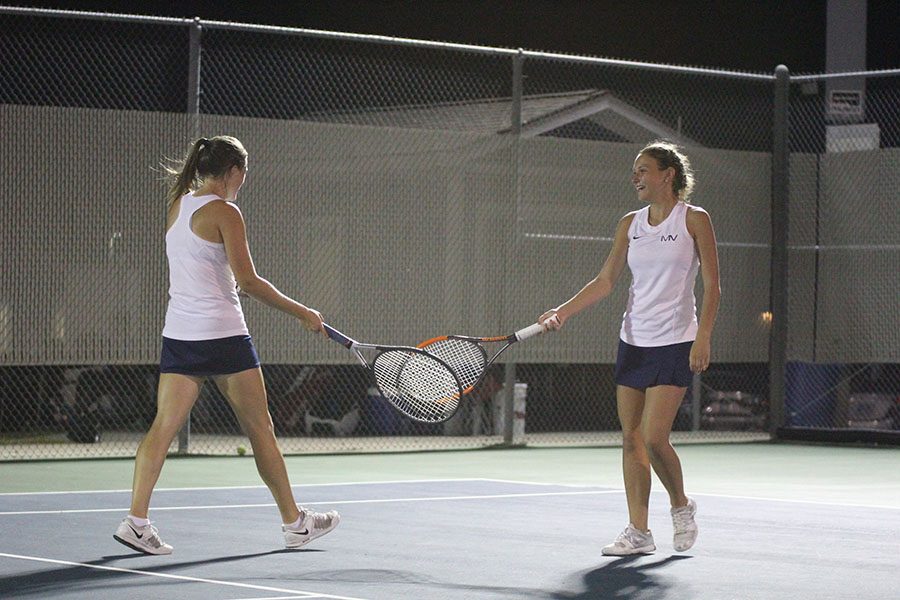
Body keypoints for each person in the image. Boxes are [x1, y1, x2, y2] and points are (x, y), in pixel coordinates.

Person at [113, 135, 340, 555]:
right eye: (245, 172)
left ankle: (136, 522)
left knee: (162, 427)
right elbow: (249, 282)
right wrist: (304, 313)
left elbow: (213, 271)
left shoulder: (178, 206)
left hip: (180, 336)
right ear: (234, 172)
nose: (245, 180)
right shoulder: (225, 212)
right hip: (224, 336)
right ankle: (295, 523)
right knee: (261, 429)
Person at [541, 140, 720, 556]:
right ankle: (638, 532)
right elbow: (605, 280)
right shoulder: (630, 224)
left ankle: (680, 507)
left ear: (667, 174)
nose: (635, 177)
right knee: (630, 438)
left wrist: (704, 335)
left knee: (655, 438)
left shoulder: (694, 220)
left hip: (676, 341)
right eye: (634, 171)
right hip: (634, 341)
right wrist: (563, 312)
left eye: (643, 170)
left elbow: (712, 285)